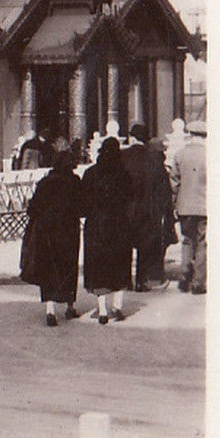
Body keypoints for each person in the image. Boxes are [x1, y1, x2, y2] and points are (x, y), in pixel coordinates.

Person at [19, 150, 88, 325]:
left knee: (49, 268)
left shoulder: (45, 182)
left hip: (47, 232)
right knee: (68, 267)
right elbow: (82, 207)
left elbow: (32, 209)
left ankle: (50, 310)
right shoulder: (74, 182)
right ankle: (70, 306)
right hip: (68, 231)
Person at [81, 137, 135, 324]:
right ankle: (117, 306)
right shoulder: (124, 174)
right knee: (119, 263)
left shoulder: (90, 173)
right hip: (119, 224)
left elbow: (84, 203)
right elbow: (131, 198)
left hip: (97, 225)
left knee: (99, 266)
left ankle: (102, 310)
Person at [121, 123, 174, 290]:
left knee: (125, 244)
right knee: (144, 246)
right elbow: (164, 188)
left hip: (125, 208)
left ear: (132, 138)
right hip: (148, 208)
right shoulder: (154, 158)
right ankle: (141, 281)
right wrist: (164, 209)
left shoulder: (122, 156)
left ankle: (125, 280)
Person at [170, 119, 206, 293]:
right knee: (201, 243)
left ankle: (184, 277)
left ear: (190, 135)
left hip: (184, 206)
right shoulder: (209, 155)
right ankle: (198, 282)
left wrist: (174, 203)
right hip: (204, 206)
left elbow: (174, 183)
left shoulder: (180, 155)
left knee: (187, 241)